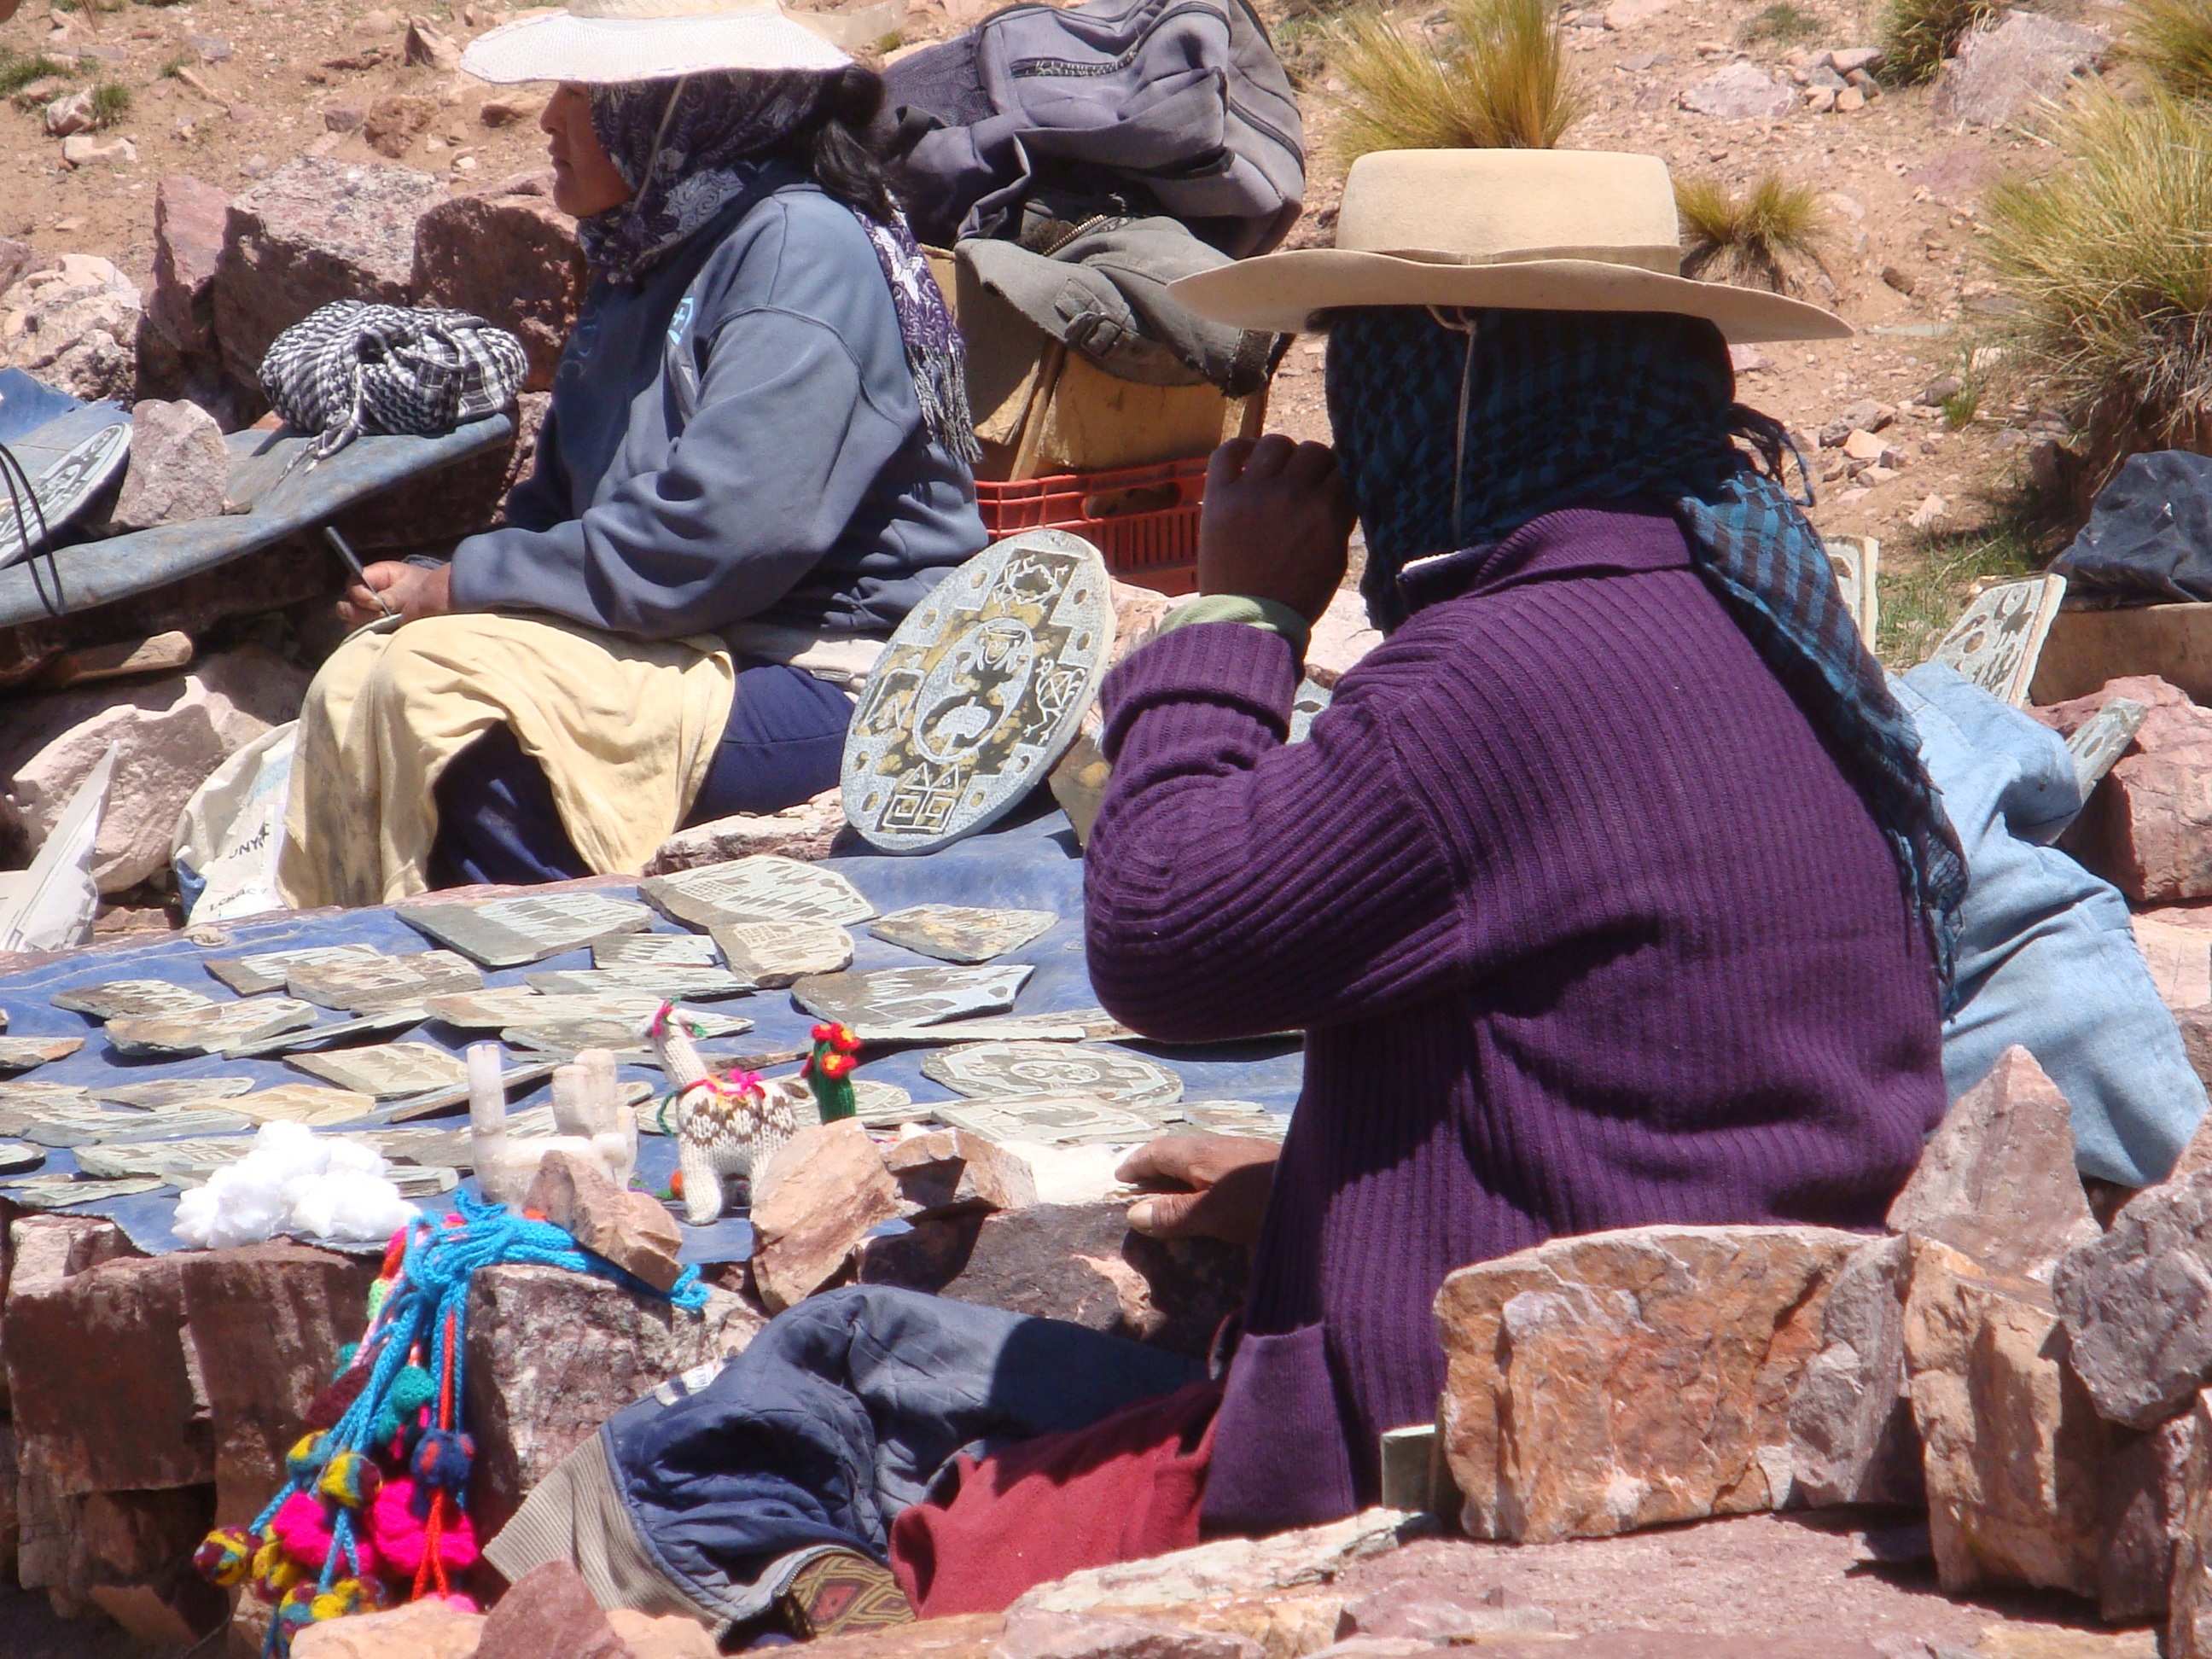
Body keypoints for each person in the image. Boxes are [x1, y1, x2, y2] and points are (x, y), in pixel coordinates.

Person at [1080, 145, 1965, 1534]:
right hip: (1767, 1357)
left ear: (1458, 388)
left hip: (1549, 1440)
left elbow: (1156, 926)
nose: (1349, 435)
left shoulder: (1495, 671)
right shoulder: (1740, 581)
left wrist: (1237, 616)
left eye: (1367, 371)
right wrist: (1312, 1174)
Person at [276, 0, 986, 906]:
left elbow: (722, 538)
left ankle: (564, 984)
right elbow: (562, 508)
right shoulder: (648, 255)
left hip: (834, 675)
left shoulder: (797, 250)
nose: (551, 119)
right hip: (691, 646)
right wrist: (439, 586)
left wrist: (465, 584)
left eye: (584, 92)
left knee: (470, 724)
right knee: (368, 675)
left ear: (674, 111)